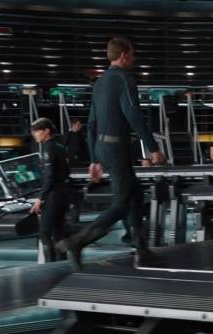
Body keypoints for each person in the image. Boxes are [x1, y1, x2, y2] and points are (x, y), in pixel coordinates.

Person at [57, 37, 165, 269]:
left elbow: (91, 124)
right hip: (117, 148)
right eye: (132, 54)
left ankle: (141, 249)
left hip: (103, 148)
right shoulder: (124, 79)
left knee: (135, 196)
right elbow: (133, 115)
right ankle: (77, 242)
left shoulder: (99, 82)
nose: (134, 58)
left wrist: (94, 159)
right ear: (124, 55)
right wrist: (153, 148)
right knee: (122, 203)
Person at [29, 118, 71, 262]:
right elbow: (66, 171)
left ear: (46, 131)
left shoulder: (49, 148)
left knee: (45, 232)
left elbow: (49, 176)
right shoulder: (59, 146)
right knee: (59, 230)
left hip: (53, 194)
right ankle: (62, 263)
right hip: (63, 192)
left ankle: (50, 264)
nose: (34, 135)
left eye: (37, 131)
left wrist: (40, 198)